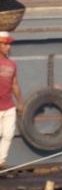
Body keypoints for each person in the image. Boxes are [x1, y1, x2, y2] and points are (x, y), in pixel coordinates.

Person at [0, 31, 23, 171]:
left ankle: (1, 161)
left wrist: (20, 102)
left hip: (8, 105)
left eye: (9, 44)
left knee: (8, 134)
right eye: (5, 44)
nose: (8, 47)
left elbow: (14, 84)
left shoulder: (12, 64)